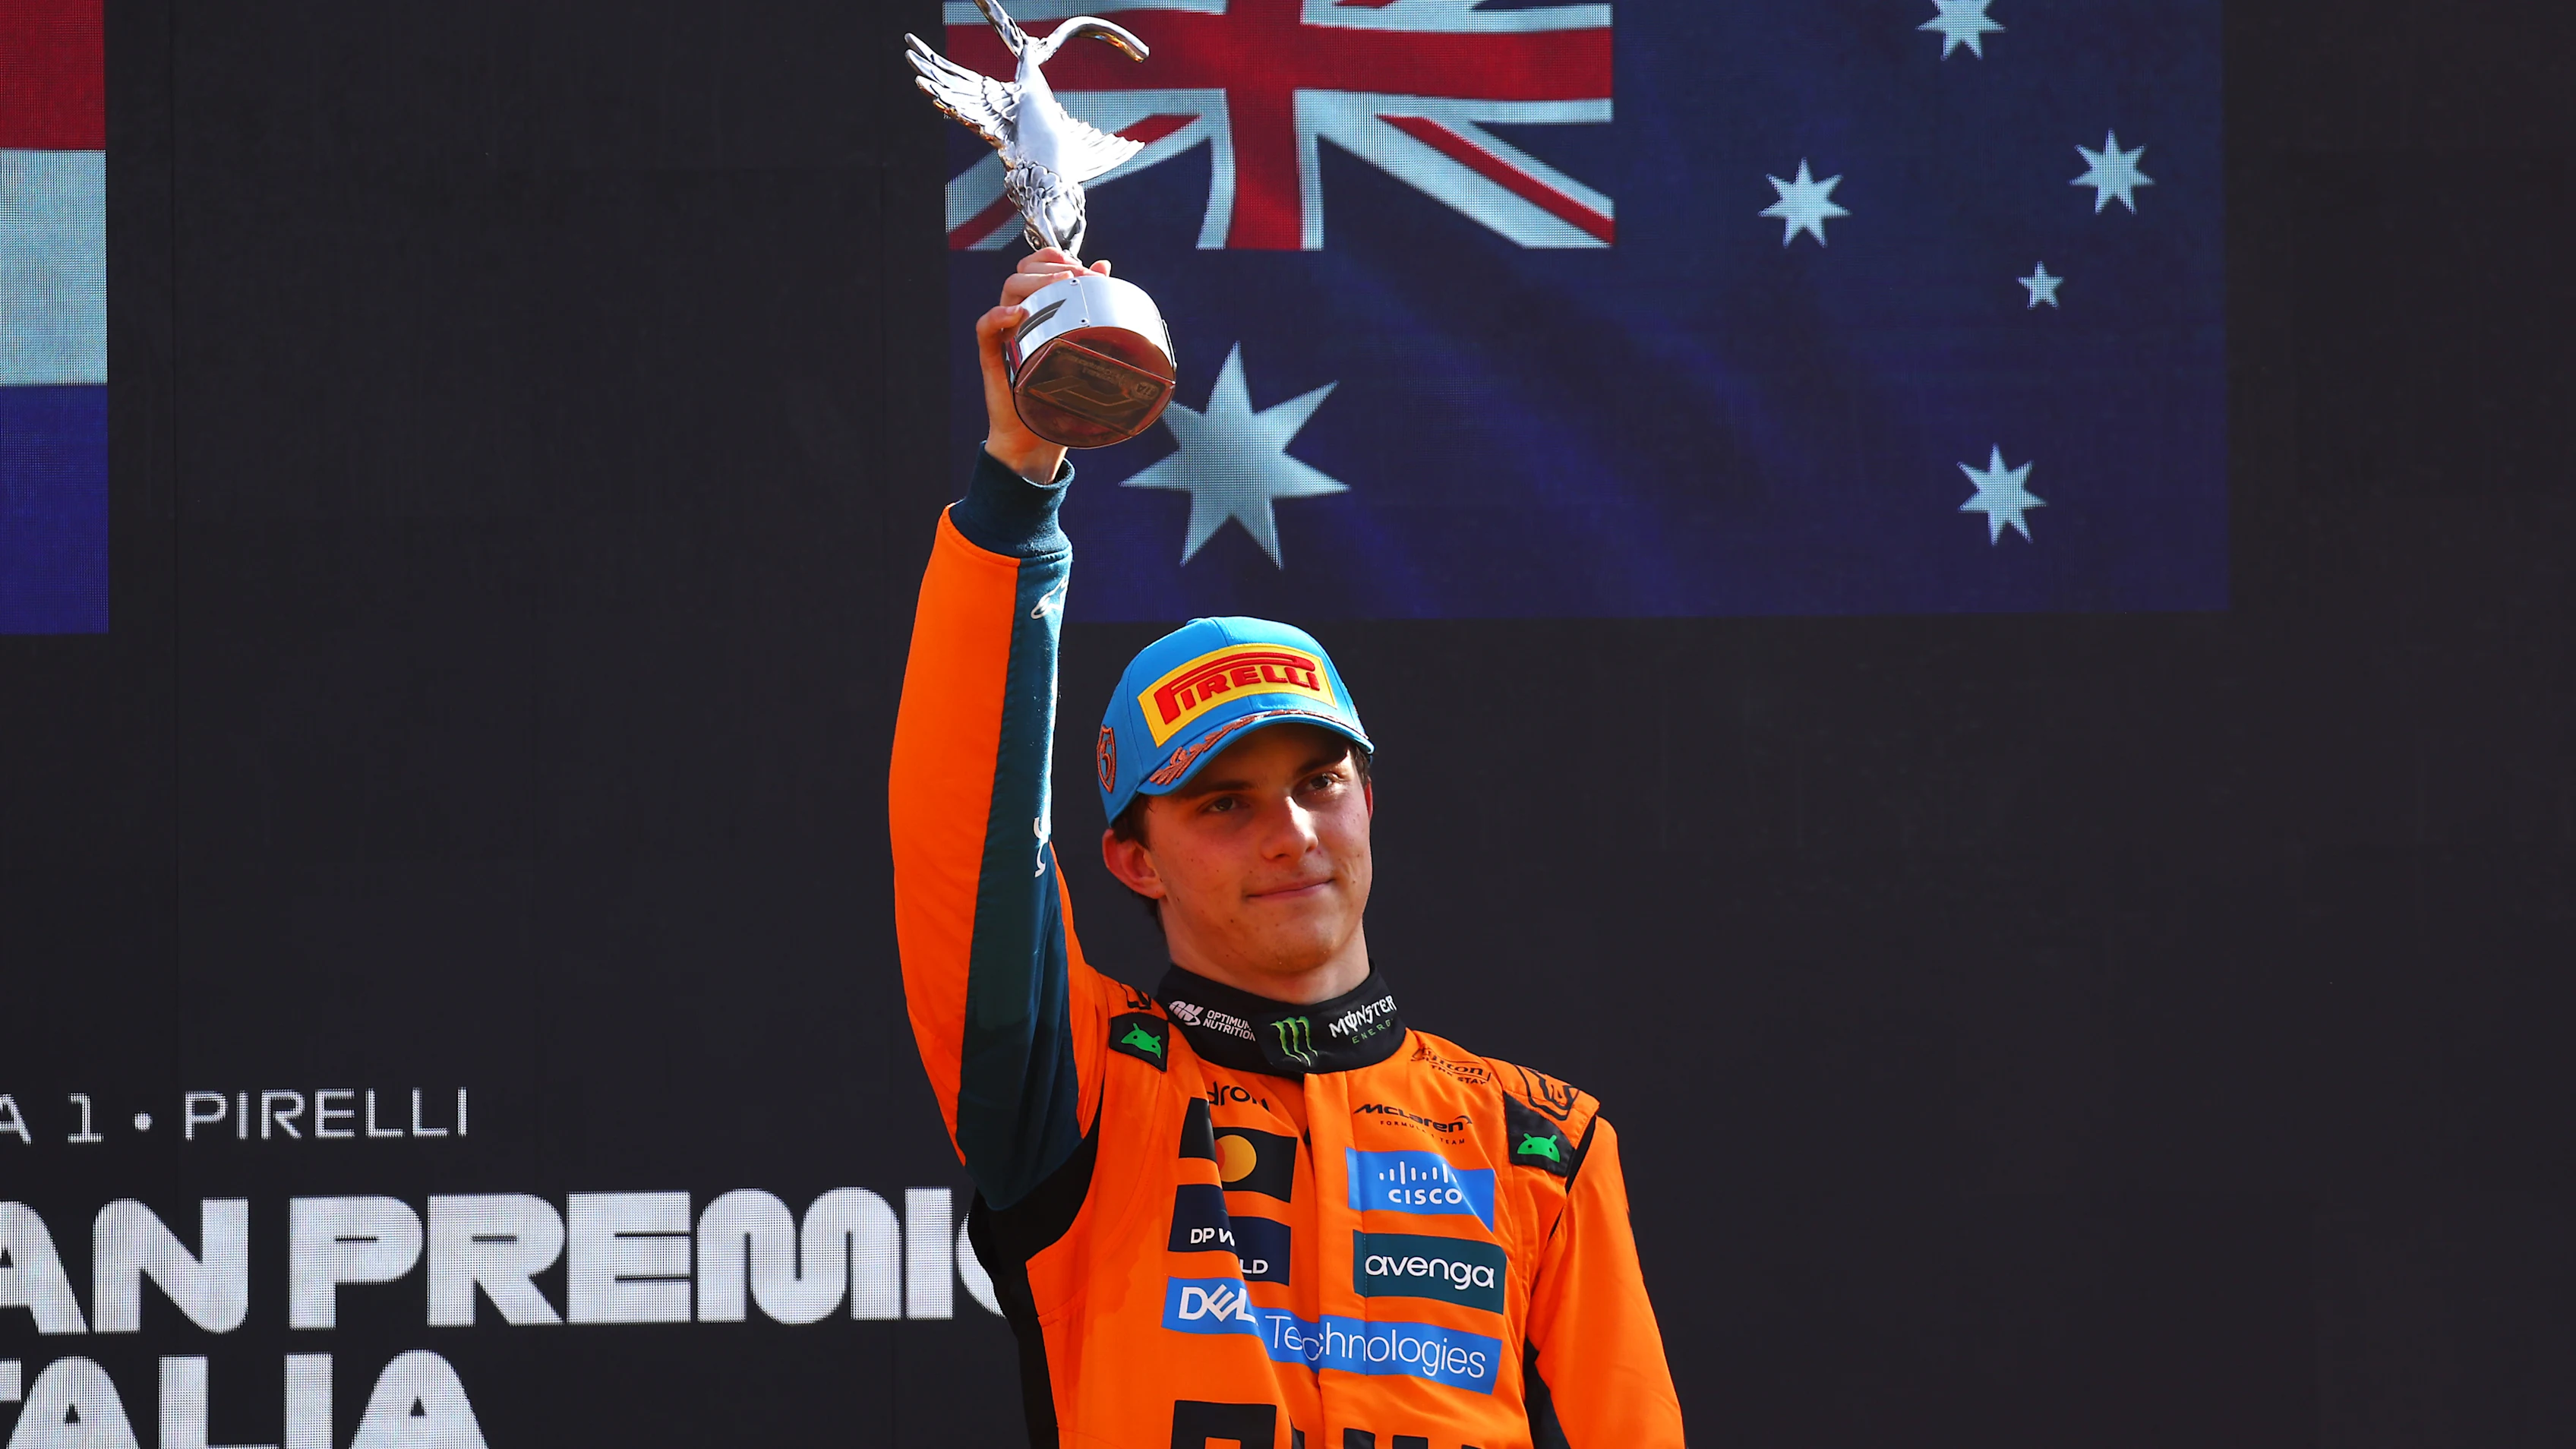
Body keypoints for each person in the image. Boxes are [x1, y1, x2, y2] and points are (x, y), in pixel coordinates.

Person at [891, 248, 1684, 1449]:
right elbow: (971, 839)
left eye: (1320, 783)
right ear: (1134, 861)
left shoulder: (1543, 1143)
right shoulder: (1079, 1094)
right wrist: (1019, 483)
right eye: (1223, 803)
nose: (1294, 833)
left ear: (1370, 801)